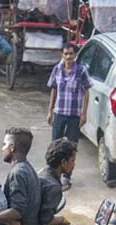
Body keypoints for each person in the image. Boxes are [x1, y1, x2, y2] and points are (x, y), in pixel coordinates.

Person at [46, 44, 92, 190]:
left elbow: (86, 92)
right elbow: (54, 89)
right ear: (62, 55)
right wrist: (50, 110)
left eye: (71, 54)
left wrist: (84, 113)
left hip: (74, 114)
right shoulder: (57, 69)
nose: (68, 57)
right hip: (59, 113)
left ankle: (67, 176)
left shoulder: (81, 70)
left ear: (75, 55)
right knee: (55, 145)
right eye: (66, 54)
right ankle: (53, 175)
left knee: (72, 146)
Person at [38, 137, 76, 225]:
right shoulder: (54, 187)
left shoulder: (41, 173)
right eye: (72, 161)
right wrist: (62, 220)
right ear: (63, 162)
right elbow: (44, 220)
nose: (74, 165)